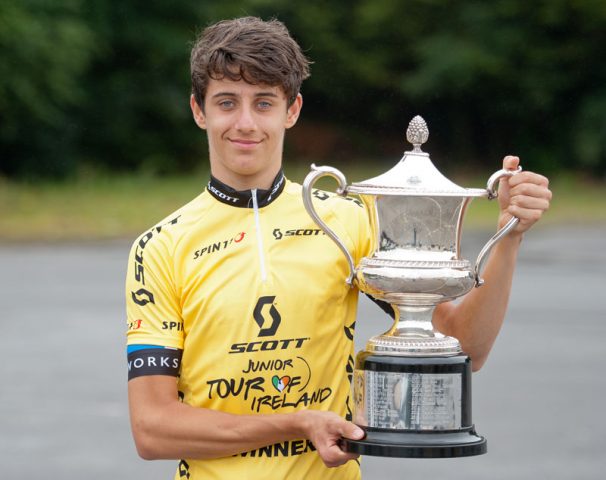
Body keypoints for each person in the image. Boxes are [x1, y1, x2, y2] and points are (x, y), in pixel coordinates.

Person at [125, 16, 552, 480]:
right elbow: (153, 430)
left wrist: (509, 237)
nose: (245, 123)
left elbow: (464, 346)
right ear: (199, 110)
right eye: (227, 103)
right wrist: (296, 425)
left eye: (263, 103)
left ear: (292, 110)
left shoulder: (346, 219)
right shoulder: (161, 247)